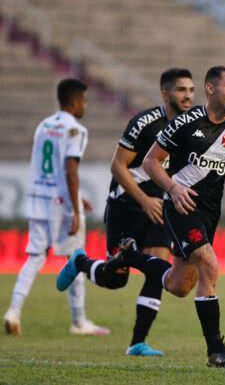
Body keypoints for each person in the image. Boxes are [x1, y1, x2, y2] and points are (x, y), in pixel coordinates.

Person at [103, 65, 225, 368]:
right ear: (211, 88)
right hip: (180, 206)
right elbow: (151, 162)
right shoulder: (184, 124)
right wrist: (173, 189)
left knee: (179, 285)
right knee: (209, 263)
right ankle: (215, 349)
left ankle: (130, 257)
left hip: (209, 213)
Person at [56, 68, 195, 356]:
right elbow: (117, 166)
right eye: (182, 90)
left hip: (159, 204)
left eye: (191, 90)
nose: (188, 96)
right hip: (127, 203)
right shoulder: (145, 122)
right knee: (116, 278)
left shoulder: (191, 127)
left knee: (159, 266)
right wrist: (144, 200)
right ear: (165, 93)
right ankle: (80, 262)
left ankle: (137, 343)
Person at [3, 79, 109, 336]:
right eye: (84, 100)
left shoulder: (43, 125)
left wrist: (78, 195)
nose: (85, 105)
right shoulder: (75, 130)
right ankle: (79, 321)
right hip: (60, 205)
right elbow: (70, 170)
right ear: (74, 102)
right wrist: (75, 207)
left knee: (35, 257)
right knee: (76, 259)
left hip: (38, 197)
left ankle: (13, 311)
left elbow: (48, 166)